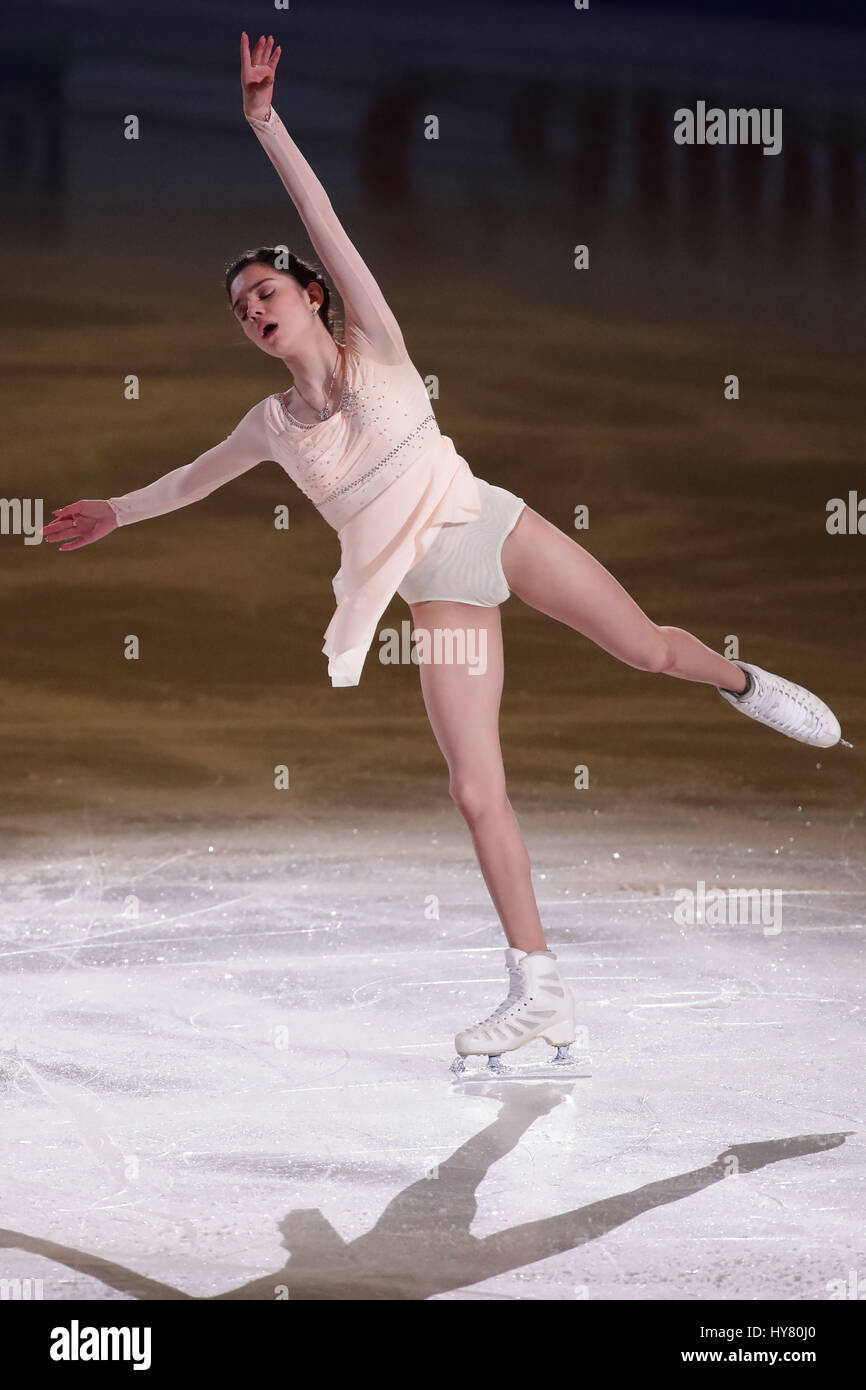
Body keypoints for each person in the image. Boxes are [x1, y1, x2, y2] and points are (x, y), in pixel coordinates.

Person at [43, 34, 844, 1074]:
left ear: (310, 296)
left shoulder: (375, 340)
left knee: (644, 649)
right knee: (476, 791)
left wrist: (262, 122)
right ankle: (539, 988)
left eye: (264, 294)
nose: (252, 312)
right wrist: (115, 508)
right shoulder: (272, 424)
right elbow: (190, 480)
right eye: (239, 309)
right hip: (436, 600)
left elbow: (323, 220)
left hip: (493, 534)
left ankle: (742, 681)